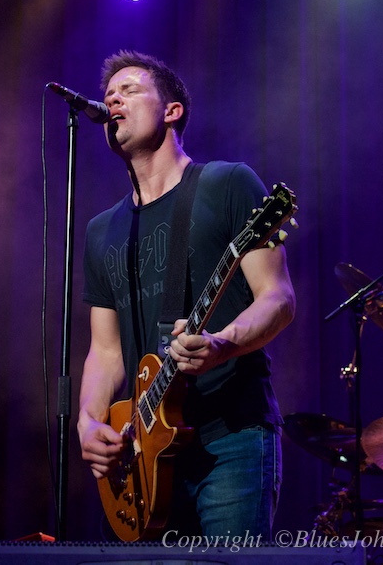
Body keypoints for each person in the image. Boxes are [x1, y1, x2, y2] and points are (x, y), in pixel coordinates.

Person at [77, 50, 296, 540]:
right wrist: (89, 423)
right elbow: (105, 350)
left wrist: (223, 343)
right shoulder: (100, 231)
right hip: (144, 455)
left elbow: (278, 299)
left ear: (172, 110)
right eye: (109, 94)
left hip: (231, 435)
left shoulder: (228, 183)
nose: (112, 99)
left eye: (129, 90)